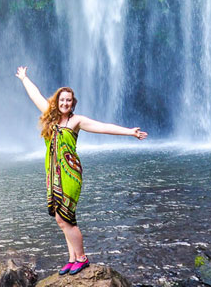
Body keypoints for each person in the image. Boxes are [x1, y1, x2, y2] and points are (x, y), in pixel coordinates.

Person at [15, 66, 148, 276]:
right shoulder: (50, 118)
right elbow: (35, 94)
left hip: (70, 174)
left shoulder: (76, 121)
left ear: (72, 103)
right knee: (63, 219)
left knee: (64, 218)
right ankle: (71, 258)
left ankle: (82, 258)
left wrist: (130, 132)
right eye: (62, 100)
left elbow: (103, 127)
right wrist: (24, 78)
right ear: (57, 101)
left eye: (68, 100)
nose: (65, 103)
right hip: (53, 174)